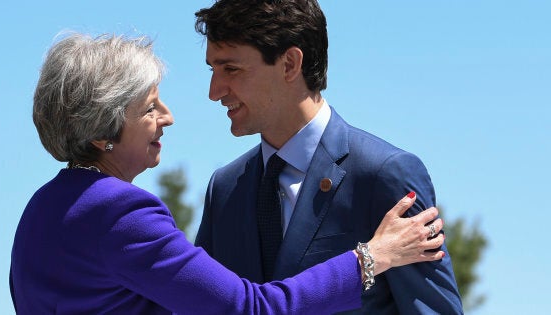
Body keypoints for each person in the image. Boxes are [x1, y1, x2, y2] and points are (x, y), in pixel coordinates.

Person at [9, 32, 446, 314]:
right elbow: (248, 309)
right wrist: (371, 259)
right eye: (149, 108)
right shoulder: (121, 213)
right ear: (104, 131)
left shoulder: (41, 210)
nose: (168, 117)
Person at [193, 1, 463, 314]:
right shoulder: (224, 189)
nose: (214, 91)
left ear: (290, 64)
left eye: (231, 69)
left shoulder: (385, 175)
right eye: (213, 70)